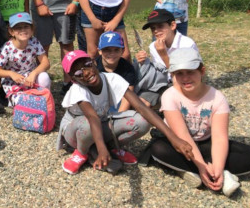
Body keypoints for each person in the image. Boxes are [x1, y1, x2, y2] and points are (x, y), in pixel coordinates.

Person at [57, 50, 192, 175]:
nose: (86, 73)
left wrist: (173, 138)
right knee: (87, 124)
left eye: (87, 64)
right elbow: (92, 118)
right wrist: (101, 147)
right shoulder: (77, 90)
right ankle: (82, 152)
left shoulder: (112, 79)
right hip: (75, 132)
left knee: (142, 121)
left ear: (93, 62)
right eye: (79, 73)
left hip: (100, 125)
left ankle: (110, 147)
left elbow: (141, 107)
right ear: (74, 79)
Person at [146, 49, 250, 197]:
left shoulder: (217, 98)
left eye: (191, 72)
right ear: (173, 75)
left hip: (205, 142)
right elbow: (182, 135)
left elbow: (219, 137)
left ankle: (208, 171)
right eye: (179, 73)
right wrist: (201, 167)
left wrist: (217, 167)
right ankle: (212, 172)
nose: (186, 78)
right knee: (157, 148)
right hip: (180, 144)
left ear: (202, 71)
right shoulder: (170, 96)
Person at [135, 9, 200, 108]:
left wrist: (163, 54)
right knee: (140, 103)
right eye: (153, 28)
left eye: (161, 26)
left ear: (172, 25)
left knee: (174, 101)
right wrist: (143, 63)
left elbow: (183, 73)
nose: (156, 31)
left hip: (185, 83)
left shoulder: (186, 44)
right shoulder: (153, 46)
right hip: (163, 83)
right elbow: (160, 71)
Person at [0, 12, 51, 103]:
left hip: (31, 78)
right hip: (14, 83)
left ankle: (44, 101)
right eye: (18, 27)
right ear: (11, 32)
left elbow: (46, 63)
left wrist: (34, 73)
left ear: (32, 30)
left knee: (44, 77)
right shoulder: (7, 48)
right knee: (25, 101)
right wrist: (11, 74)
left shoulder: (34, 42)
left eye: (26, 26)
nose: (23, 30)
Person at [95, 32, 138, 111]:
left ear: (123, 50)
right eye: (107, 50)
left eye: (116, 50)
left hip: (118, 101)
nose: (112, 54)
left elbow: (128, 98)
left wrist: (118, 117)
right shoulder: (94, 67)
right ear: (99, 51)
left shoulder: (128, 69)